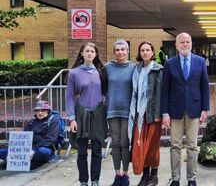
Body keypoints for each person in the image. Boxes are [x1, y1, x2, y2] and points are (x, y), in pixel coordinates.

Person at [161, 32, 210, 186]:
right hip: (175, 111)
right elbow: (165, 90)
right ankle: (175, 178)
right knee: (175, 145)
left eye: (187, 42)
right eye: (181, 42)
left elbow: (204, 87)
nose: (185, 44)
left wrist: (205, 109)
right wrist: (165, 113)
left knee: (192, 146)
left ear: (191, 43)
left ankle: (191, 178)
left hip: (194, 110)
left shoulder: (200, 61)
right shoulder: (170, 63)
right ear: (176, 45)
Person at [66, 42, 108, 186]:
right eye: (87, 51)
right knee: (82, 151)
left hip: (98, 113)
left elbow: (107, 91)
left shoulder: (101, 71)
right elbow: (70, 97)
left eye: (92, 51)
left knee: (97, 149)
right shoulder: (74, 73)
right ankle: (83, 181)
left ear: (95, 54)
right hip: (81, 114)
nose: (89, 53)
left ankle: (95, 180)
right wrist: (71, 119)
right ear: (82, 54)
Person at [128, 41, 163, 186]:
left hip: (152, 114)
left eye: (148, 50)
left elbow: (160, 93)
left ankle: (154, 176)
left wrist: (157, 114)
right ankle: (145, 175)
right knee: (140, 145)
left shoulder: (158, 69)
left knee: (152, 146)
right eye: (142, 50)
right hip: (138, 114)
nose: (145, 52)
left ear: (153, 52)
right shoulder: (136, 69)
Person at [105, 39, 135, 186]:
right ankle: (118, 175)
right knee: (115, 142)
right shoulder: (107, 67)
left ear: (128, 50)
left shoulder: (134, 68)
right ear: (114, 52)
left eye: (123, 49)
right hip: (112, 110)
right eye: (117, 50)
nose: (120, 52)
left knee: (125, 142)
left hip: (128, 111)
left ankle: (125, 174)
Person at [0, 101, 59, 170]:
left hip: (44, 148)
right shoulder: (32, 121)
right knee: (2, 151)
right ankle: (24, 161)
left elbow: (50, 139)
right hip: (28, 149)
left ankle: (23, 161)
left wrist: (33, 150)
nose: (40, 113)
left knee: (43, 152)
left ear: (48, 111)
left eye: (43, 110)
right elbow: (24, 136)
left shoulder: (54, 121)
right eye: (38, 111)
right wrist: (13, 152)